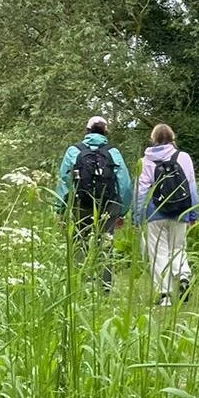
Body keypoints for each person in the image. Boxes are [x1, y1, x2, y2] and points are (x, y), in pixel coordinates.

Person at [55, 115, 133, 290]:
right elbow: (125, 184)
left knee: (79, 242)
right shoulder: (113, 152)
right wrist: (122, 211)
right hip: (108, 205)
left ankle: (79, 283)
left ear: (87, 130)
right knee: (105, 244)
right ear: (106, 132)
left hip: (80, 204)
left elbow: (64, 181)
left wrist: (59, 209)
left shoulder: (74, 151)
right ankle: (105, 285)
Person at [134, 123, 199, 305]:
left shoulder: (146, 160)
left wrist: (137, 217)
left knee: (158, 253)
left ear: (153, 139)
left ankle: (165, 295)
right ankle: (183, 275)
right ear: (173, 138)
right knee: (178, 248)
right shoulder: (183, 157)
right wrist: (193, 213)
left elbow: (140, 191)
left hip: (155, 212)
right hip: (180, 211)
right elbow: (192, 186)